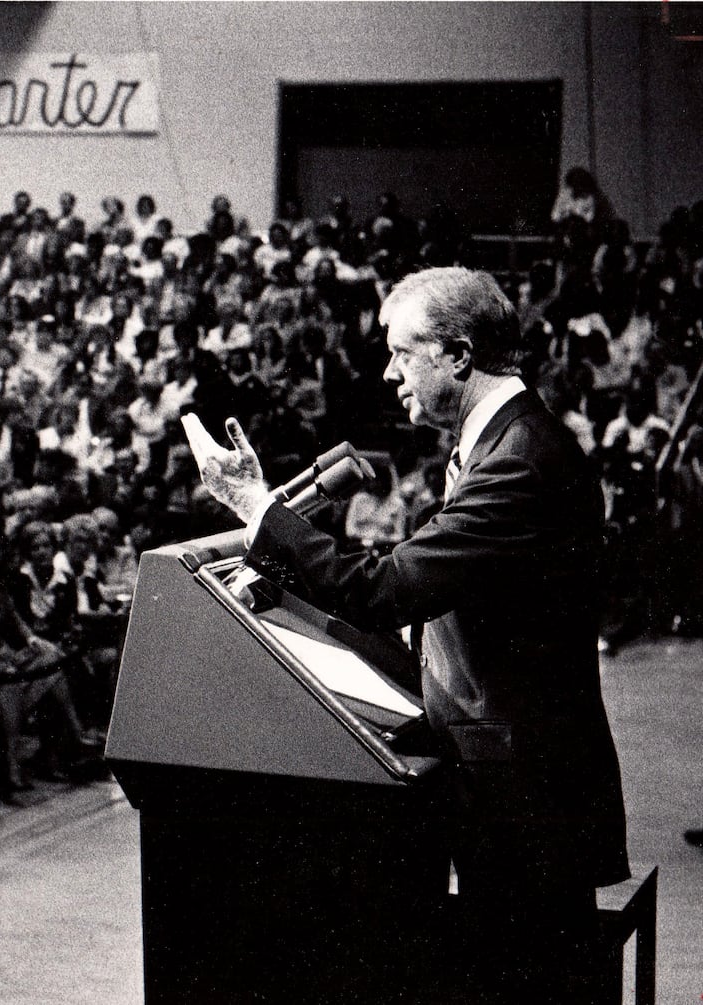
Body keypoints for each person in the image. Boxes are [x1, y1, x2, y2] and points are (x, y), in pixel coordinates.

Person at [194, 266, 628, 1003]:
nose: (390, 372)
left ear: (457, 353)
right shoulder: (500, 444)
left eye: (402, 352)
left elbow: (390, 586)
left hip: (526, 801)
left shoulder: (520, 460)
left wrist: (254, 505)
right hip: (511, 784)